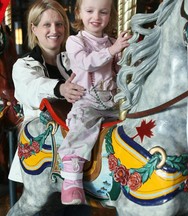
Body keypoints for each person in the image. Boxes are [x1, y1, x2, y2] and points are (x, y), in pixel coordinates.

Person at [57, 0, 131, 205]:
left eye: (103, 12)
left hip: (112, 102)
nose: (96, 17)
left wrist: (124, 55)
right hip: (87, 100)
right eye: (90, 11)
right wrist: (113, 50)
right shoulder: (75, 41)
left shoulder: (112, 42)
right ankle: (71, 180)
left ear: (110, 16)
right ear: (78, 13)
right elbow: (85, 63)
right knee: (82, 125)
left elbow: (119, 72)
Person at [8, 0, 85, 183]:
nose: (54, 30)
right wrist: (60, 88)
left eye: (59, 24)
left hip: (73, 154)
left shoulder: (75, 62)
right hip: (41, 154)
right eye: (47, 25)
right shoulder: (24, 65)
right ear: (34, 28)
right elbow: (32, 88)